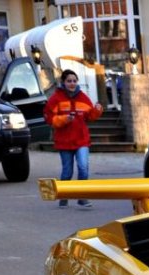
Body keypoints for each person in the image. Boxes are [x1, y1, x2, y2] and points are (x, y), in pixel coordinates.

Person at [43, 69, 103, 209]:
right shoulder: (56, 98)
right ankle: (64, 196)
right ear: (63, 82)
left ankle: (82, 197)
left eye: (74, 81)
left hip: (81, 140)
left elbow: (90, 116)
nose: (72, 83)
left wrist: (97, 110)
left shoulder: (83, 97)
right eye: (69, 81)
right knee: (67, 172)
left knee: (83, 167)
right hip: (64, 142)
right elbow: (49, 119)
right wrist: (64, 119)